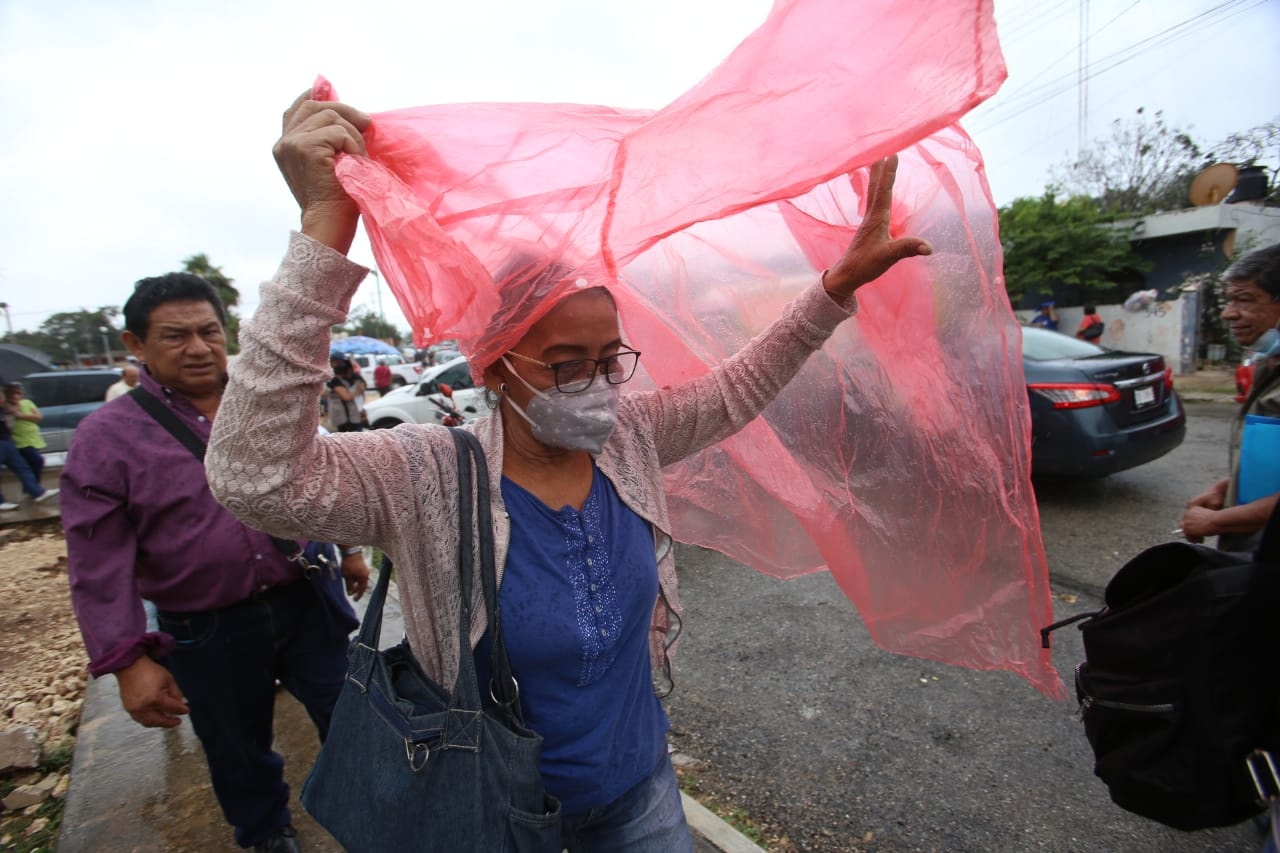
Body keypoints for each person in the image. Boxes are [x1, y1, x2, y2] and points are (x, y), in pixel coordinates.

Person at [206, 91, 930, 852]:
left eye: (610, 359)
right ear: (492, 365)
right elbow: (255, 476)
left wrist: (835, 287)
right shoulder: (426, 475)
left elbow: (736, 388)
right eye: (563, 364)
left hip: (640, 792)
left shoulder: (629, 439)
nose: (597, 384)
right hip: (497, 810)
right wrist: (325, 231)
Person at [60, 272, 371, 853]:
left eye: (209, 331)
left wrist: (350, 548)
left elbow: (328, 477)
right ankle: (266, 832)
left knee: (355, 714)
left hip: (307, 598)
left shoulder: (271, 403)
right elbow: (98, 561)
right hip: (205, 624)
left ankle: (376, 808)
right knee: (235, 742)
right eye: (176, 336)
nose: (199, 347)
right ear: (135, 345)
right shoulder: (106, 438)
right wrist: (128, 659)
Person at [1181, 242, 1280, 552]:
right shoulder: (1268, 367)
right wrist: (1230, 487)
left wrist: (1216, 523)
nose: (1228, 313)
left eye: (1245, 300)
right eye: (1230, 300)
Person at [0, 379, 57, 510]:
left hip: (7, 441)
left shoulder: (5, 408)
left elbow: (9, 424)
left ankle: (37, 492)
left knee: (22, 467)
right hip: (5, 442)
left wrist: (10, 411)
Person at [5, 382, 47, 483]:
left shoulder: (27, 402)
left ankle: (33, 487)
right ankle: (34, 487)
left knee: (32, 464)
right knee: (37, 460)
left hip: (32, 438)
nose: (15, 396)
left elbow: (38, 417)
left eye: (17, 393)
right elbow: (8, 426)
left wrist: (20, 415)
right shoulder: (6, 407)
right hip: (19, 441)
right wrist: (11, 413)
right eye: (12, 393)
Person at [325, 353, 367, 431]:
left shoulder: (346, 379)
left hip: (353, 415)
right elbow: (346, 397)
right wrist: (359, 391)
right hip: (344, 418)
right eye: (337, 362)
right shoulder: (333, 380)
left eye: (341, 362)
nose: (341, 365)